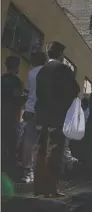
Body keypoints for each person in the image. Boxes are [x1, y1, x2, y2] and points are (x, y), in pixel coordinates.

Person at [34, 41, 80, 198]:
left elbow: (38, 92)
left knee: (40, 149)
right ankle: (50, 188)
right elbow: (75, 89)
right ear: (61, 55)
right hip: (57, 114)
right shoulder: (63, 69)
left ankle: (38, 186)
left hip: (41, 113)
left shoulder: (42, 70)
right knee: (55, 149)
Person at [21, 52, 47, 183]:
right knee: (40, 142)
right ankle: (36, 171)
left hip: (30, 109)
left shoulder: (31, 73)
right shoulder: (48, 73)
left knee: (28, 141)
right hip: (42, 111)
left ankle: (27, 171)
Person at [1, 55, 24, 177]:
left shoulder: (1, 79)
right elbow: (17, 98)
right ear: (16, 66)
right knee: (11, 141)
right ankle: (8, 169)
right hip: (11, 114)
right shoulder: (16, 81)